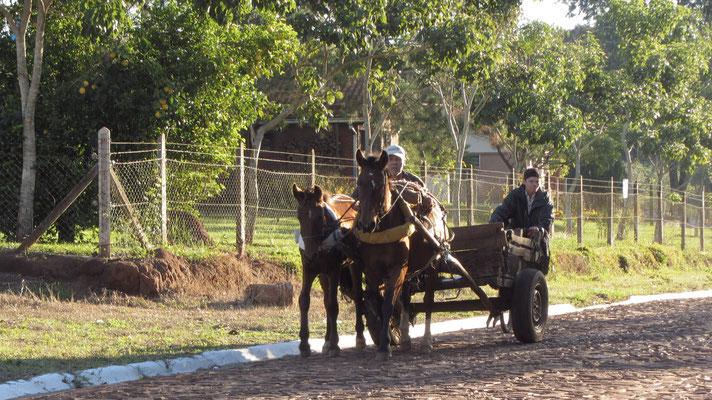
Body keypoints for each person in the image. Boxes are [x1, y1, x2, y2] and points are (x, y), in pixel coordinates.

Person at [489, 167, 554, 235]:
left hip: (538, 238)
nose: (535, 184)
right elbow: (501, 212)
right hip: (516, 235)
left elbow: (548, 219)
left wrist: (539, 228)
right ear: (524, 181)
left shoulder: (545, 199)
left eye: (537, 182)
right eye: (531, 181)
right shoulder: (515, 195)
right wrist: (504, 228)